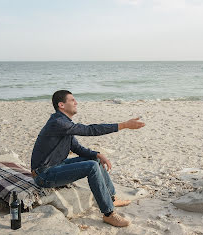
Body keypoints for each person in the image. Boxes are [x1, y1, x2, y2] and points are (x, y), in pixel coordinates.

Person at [31, 90, 145, 227]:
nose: (76, 103)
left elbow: (77, 148)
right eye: (72, 100)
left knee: (95, 160)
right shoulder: (58, 123)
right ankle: (109, 214)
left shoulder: (63, 123)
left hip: (57, 166)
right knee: (91, 166)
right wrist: (123, 125)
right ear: (61, 105)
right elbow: (90, 130)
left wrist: (97, 155)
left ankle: (112, 198)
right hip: (44, 174)